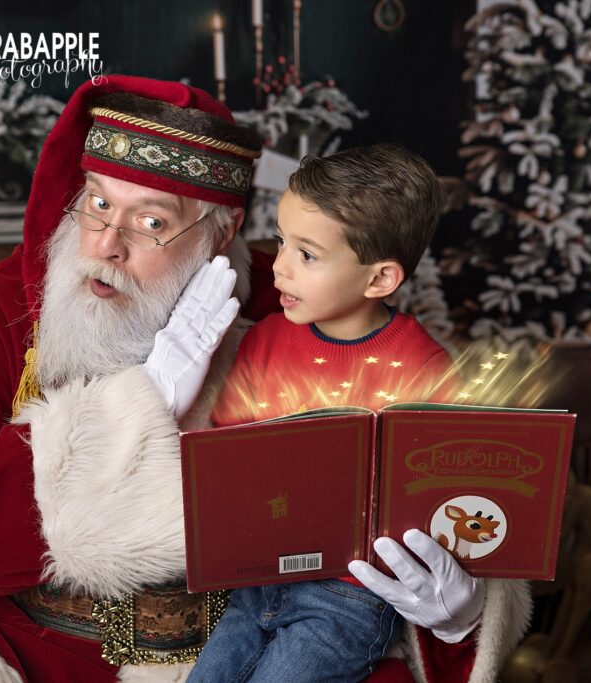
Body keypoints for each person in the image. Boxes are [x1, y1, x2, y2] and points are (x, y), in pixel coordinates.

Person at [0, 76, 530, 683]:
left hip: (232, 639)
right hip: (18, 636)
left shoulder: (294, 309)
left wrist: (460, 609)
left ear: (218, 236)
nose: (105, 242)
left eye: (150, 220)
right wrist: (139, 406)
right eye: (97, 202)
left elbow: (424, 469)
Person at [191, 144, 468, 683]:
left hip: (350, 595)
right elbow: (228, 450)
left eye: (308, 254)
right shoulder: (266, 340)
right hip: (257, 580)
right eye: (281, 242)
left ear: (380, 280)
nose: (282, 267)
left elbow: (435, 496)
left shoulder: (423, 369)